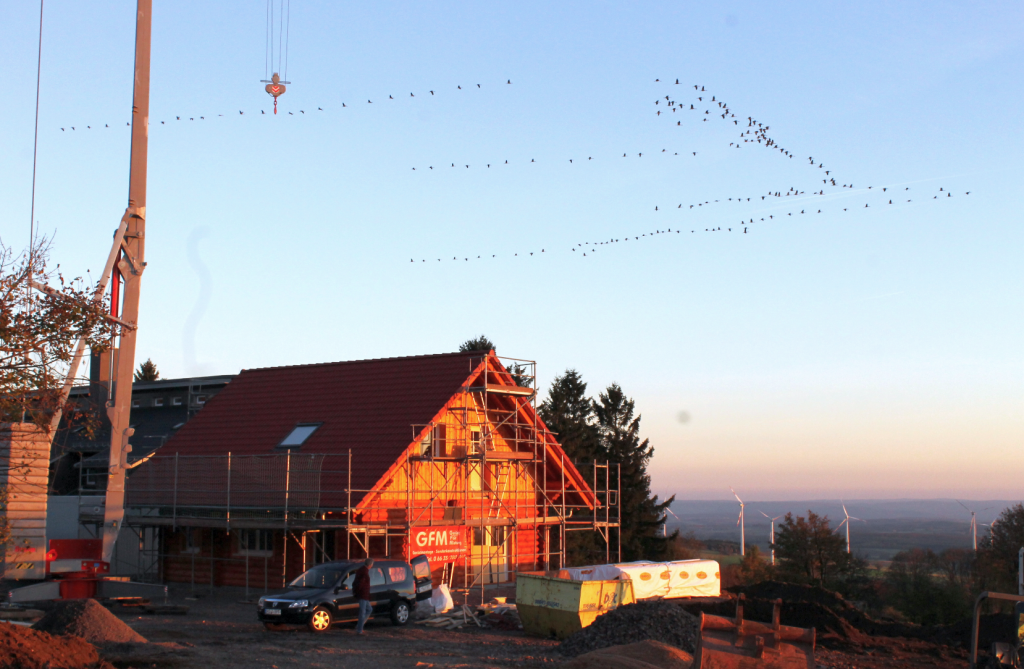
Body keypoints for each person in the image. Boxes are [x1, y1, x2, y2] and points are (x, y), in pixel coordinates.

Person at [353, 557, 373, 634]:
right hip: (363, 594)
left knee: (368, 609)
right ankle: (359, 629)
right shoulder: (364, 572)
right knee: (363, 612)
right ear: (370, 564)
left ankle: (359, 626)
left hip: (364, 594)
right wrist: (358, 592)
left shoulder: (361, 570)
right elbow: (361, 584)